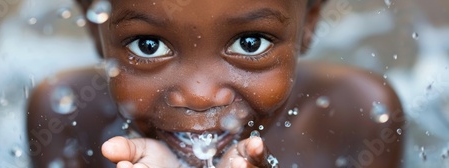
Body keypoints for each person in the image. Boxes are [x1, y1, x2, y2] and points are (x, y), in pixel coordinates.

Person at [27, 0, 405, 167]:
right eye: (149, 45)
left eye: (250, 42)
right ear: (97, 24)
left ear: (309, 20)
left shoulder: (359, 118)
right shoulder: (67, 120)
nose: (199, 95)